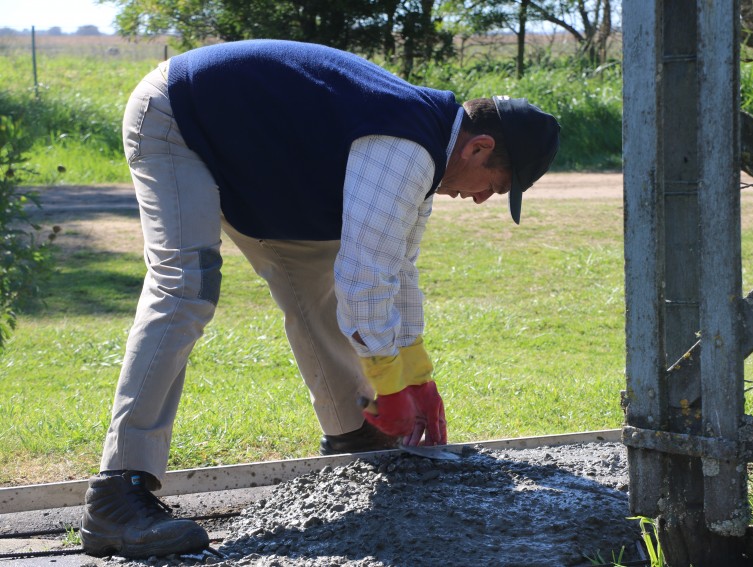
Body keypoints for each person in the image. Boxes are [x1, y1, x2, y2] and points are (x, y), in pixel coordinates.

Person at [80, 39, 560, 558]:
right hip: (178, 115)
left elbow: (396, 270)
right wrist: (388, 383)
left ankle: (352, 435)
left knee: (312, 279)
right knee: (186, 286)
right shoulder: (405, 144)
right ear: (479, 148)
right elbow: (364, 274)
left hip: (250, 152)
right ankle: (117, 494)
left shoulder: (428, 148)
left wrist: (417, 375)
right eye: (497, 184)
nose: (484, 198)